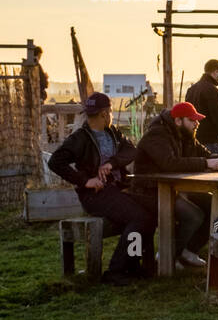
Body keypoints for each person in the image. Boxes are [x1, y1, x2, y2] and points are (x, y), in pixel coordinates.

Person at [47, 92, 154, 285]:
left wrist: (111, 164)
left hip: (116, 190)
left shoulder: (113, 133)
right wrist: (84, 181)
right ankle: (117, 270)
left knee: (151, 213)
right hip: (95, 195)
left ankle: (132, 263)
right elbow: (55, 162)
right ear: (105, 114)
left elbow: (132, 151)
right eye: (110, 112)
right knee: (140, 218)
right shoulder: (80, 139)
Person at [134, 101, 218, 268]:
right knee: (193, 215)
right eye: (192, 120)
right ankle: (167, 255)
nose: (196, 123)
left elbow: (203, 153)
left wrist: (215, 159)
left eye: (196, 120)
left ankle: (189, 251)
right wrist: (206, 163)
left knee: (215, 205)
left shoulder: (185, 134)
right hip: (149, 190)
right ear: (178, 121)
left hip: (175, 188)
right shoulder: (157, 135)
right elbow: (169, 163)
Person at [185, 59, 218, 157]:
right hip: (210, 142)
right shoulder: (212, 90)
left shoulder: (191, 90)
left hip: (194, 141)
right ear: (215, 72)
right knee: (214, 169)